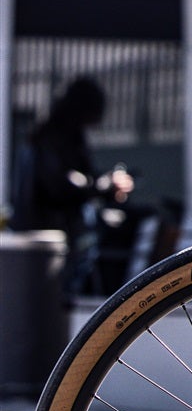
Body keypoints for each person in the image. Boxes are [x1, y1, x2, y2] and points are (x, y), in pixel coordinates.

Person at [12, 77, 135, 293]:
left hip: (52, 238)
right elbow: (61, 185)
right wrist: (106, 186)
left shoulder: (54, 134)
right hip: (50, 240)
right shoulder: (55, 136)